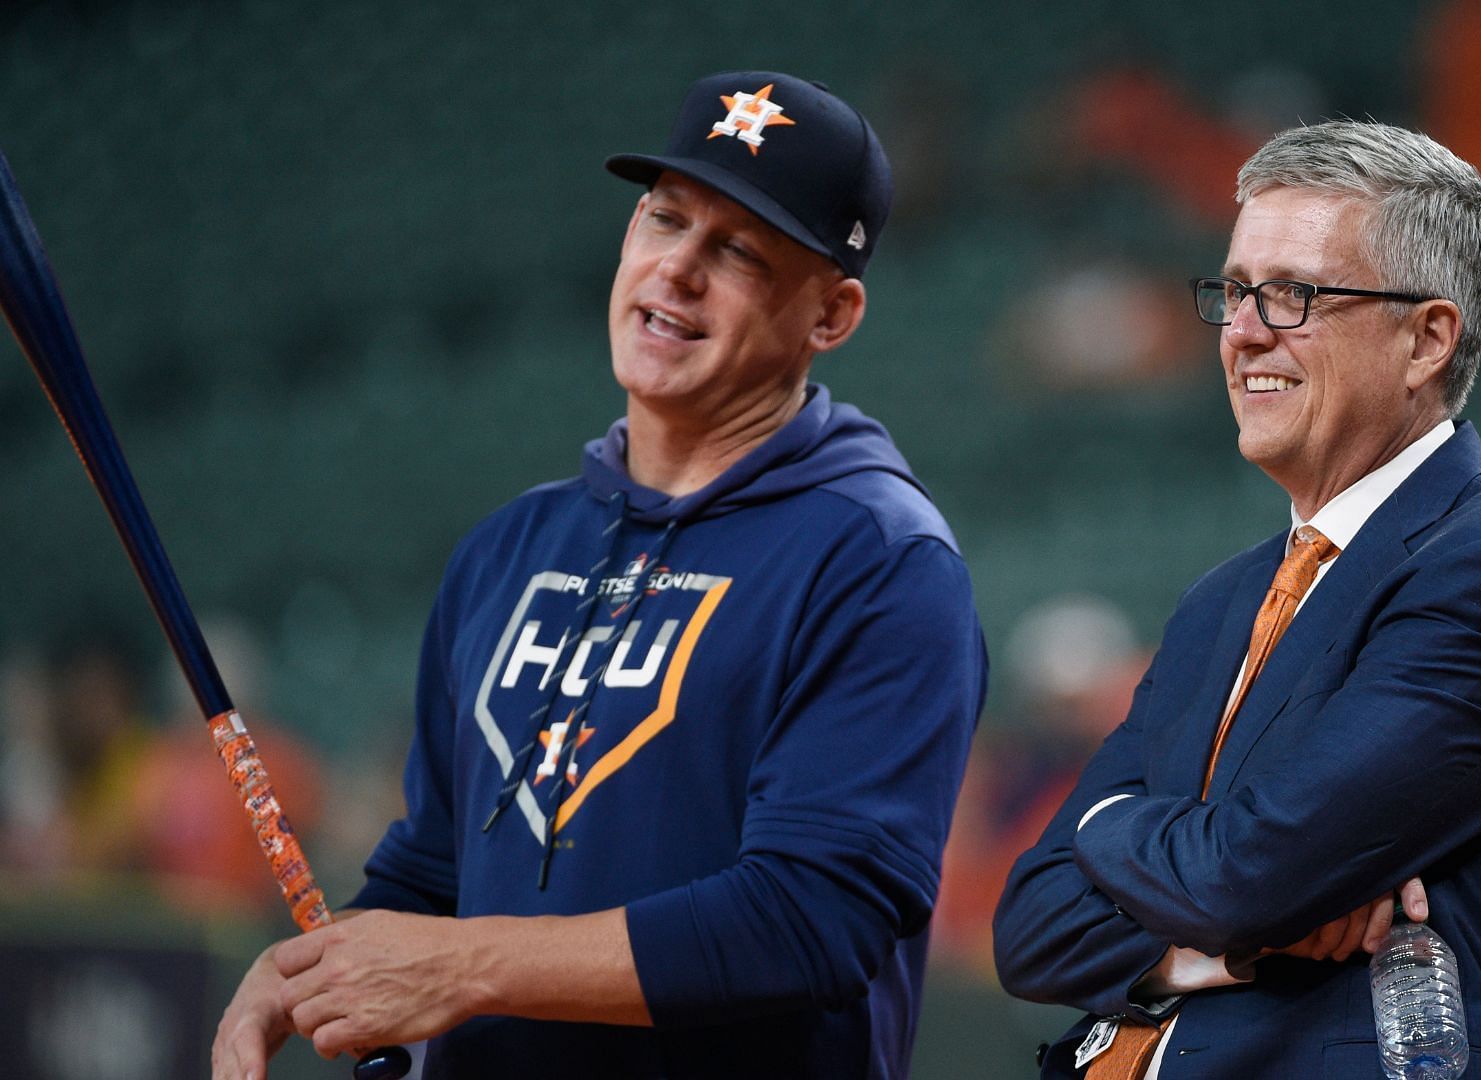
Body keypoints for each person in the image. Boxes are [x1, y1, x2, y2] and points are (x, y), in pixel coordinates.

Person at [211, 71, 987, 1080]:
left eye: (739, 251)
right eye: (664, 221)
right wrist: (310, 969)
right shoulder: (508, 546)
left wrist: (469, 968)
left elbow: (810, 920)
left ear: (831, 315)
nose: (678, 272)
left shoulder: (880, 562)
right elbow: (435, 872)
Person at [993, 120, 1481, 1080]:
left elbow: (1245, 875)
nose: (1241, 332)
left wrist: (1106, 827)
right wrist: (1208, 946)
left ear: (1427, 340)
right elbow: (1029, 926)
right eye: (1235, 291)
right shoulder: (1220, 600)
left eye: (1294, 295)